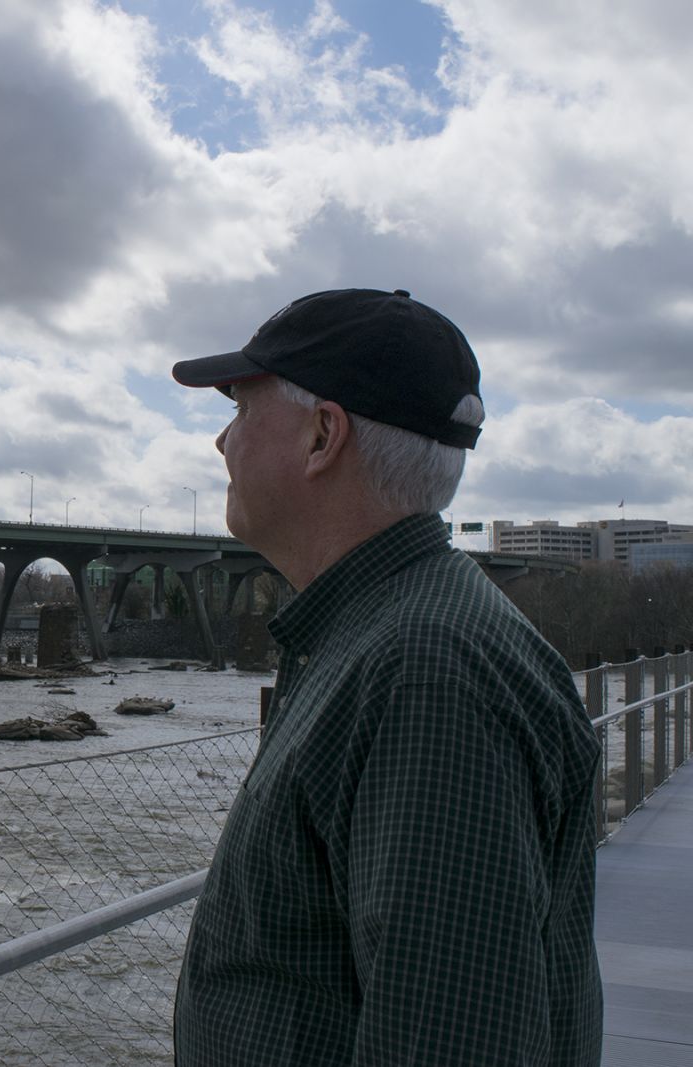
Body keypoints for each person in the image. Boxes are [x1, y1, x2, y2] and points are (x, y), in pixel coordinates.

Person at [168, 288, 602, 1065]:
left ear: (322, 436)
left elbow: (455, 1043)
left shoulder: (425, 675)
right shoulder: (381, 637)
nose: (221, 441)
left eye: (239, 407)